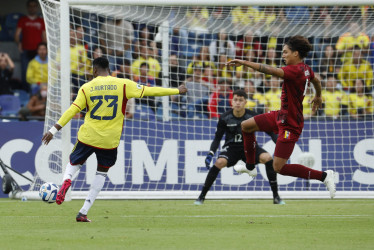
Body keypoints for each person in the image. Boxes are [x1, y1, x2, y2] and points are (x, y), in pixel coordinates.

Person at [41, 57, 187, 222]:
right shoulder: (124, 84)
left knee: (74, 163)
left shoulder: (87, 87)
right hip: (109, 140)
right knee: (101, 173)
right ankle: (83, 211)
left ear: (95, 70)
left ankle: (67, 180)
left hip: (88, 136)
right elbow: (150, 91)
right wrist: (176, 90)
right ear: (108, 69)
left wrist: (53, 130)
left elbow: (71, 110)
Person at [227, 35, 336, 199]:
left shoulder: (294, 71)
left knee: (279, 167)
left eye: (285, 52)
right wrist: (318, 96)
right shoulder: (306, 68)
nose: (283, 55)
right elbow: (317, 81)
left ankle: (324, 176)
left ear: (296, 54)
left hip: (291, 124)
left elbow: (269, 70)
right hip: (281, 115)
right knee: (246, 126)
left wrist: (244, 62)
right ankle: (250, 166)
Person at [195, 89, 285, 205]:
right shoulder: (224, 117)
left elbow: (271, 132)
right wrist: (211, 153)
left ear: (245, 102)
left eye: (240, 100)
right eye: (235, 100)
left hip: (250, 147)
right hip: (231, 148)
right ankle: (201, 197)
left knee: (267, 158)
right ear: (231, 102)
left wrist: (279, 144)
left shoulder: (252, 116)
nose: (238, 103)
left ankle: (276, 197)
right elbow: (217, 138)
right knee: (219, 162)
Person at [14, 0, 46, 92]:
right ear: (27, 7)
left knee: (38, 71)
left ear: (37, 7)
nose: (32, 8)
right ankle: (26, 92)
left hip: (38, 51)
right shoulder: (23, 20)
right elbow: (17, 34)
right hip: (25, 50)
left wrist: (44, 48)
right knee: (25, 73)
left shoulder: (41, 20)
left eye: (34, 6)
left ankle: (37, 92)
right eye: (30, 6)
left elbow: (44, 36)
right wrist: (19, 43)